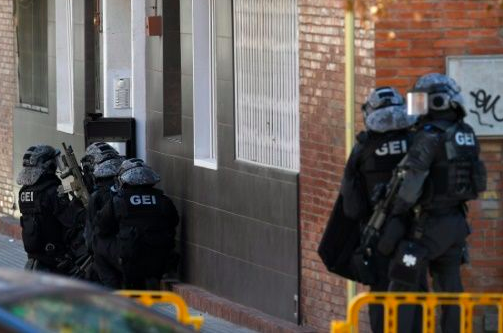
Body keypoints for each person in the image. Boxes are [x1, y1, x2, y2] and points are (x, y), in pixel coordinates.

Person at [378, 73, 487, 333]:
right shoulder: (466, 133)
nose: (417, 109)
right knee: (450, 289)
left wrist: (395, 211)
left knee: (403, 284)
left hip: (426, 228)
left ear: (437, 102)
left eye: (422, 101)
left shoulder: (429, 135)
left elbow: (412, 181)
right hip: (456, 224)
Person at [319, 87, 421, 333]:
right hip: (415, 234)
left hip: (377, 236)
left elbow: (352, 206)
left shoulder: (363, 149)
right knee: (414, 289)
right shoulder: (416, 143)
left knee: (380, 292)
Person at [94, 158, 179, 289]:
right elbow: (174, 222)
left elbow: (101, 226)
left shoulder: (118, 201)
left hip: (131, 262)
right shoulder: (164, 201)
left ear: (123, 180)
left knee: (98, 244)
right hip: (161, 262)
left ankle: (112, 291)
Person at [17, 145, 85, 274]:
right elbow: (70, 220)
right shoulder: (51, 190)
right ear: (47, 166)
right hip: (56, 257)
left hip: (36, 255)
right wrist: (79, 206)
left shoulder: (24, 192)